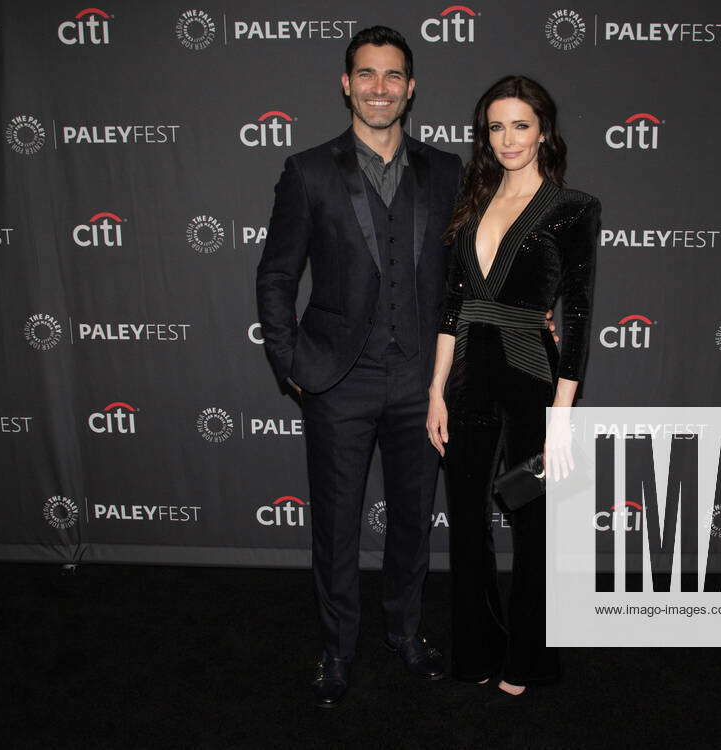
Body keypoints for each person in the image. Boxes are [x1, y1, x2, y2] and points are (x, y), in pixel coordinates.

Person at [255, 26, 463, 708]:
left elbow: (470, 274)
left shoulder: (447, 172)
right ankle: (337, 650)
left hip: (419, 384)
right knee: (338, 526)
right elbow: (277, 275)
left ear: (411, 87)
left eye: (393, 75)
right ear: (347, 84)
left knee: (412, 521)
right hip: (336, 379)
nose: (380, 87)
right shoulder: (309, 171)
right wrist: (290, 361)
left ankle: (405, 633)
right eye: (366, 75)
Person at [426, 75, 600, 700]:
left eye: (520, 125)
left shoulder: (572, 207)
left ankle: (528, 658)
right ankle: (474, 649)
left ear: (544, 131)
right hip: (468, 374)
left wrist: (562, 413)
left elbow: (577, 313)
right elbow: (453, 307)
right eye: (496, 127)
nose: (508, 139)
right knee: (468, 523)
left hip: (532, 375)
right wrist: (436, 391)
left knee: (533, 523)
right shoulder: (468, 204)